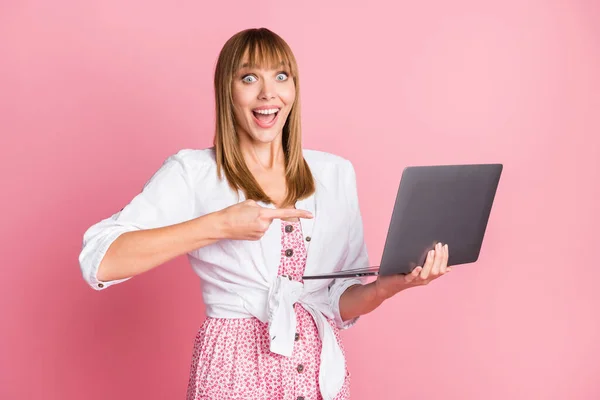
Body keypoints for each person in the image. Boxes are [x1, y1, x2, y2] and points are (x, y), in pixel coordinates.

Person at [78, 27, 451, 400]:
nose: (268, 92)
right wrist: (218, 225)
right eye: (249, 77)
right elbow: (102, 260)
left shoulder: (335, 173)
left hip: (315, 372)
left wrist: (391, 285)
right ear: (228, 90)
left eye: (281, 76)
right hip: (234, 369)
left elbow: (339, 299)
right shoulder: (193, 172)